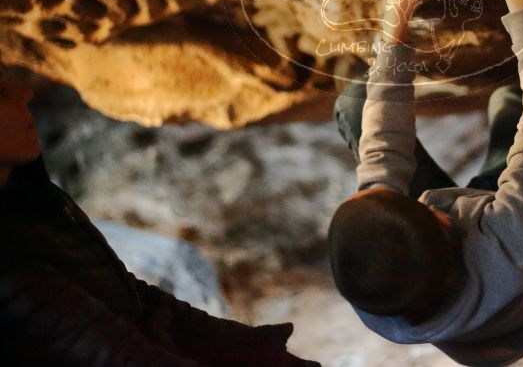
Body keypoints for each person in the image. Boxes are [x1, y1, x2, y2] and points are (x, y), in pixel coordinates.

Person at [329, 0, 523, 366]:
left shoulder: (377, 285)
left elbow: (382, 153)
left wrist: (396, 17)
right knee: (517, 105)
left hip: (458, 273)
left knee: (357, 105)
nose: (372, 183)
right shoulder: (513, 242)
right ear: (443, 218)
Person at [0, 66, 319, 366]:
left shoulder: (29, 202)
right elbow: (113, 352)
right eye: (1, 92)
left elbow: (133, 299)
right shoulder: (10, 256)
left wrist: (257, 347)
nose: (25, 93)